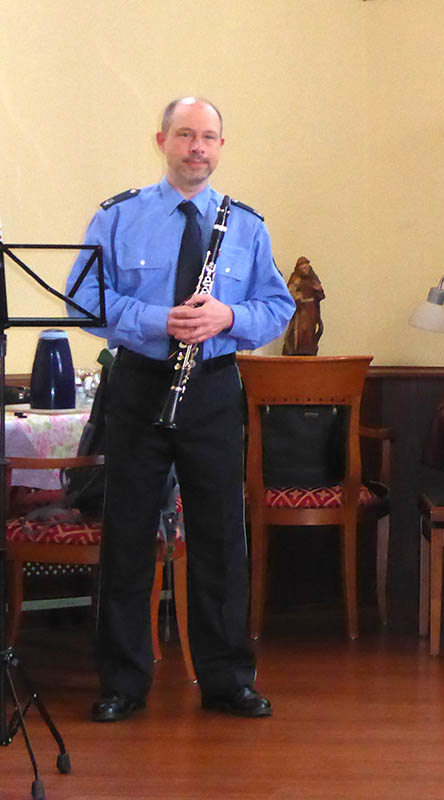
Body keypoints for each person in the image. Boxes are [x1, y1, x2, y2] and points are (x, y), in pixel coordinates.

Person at [66, 96, 295, 722]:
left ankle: (227, 680)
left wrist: (229, 316)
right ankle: (122, 682)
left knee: (222, 536)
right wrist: (153, 321)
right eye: (186, 135)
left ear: (221, 147)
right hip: (139, 385)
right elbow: (81, 300)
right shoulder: (118, 216)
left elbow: (279, 308)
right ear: (161, 140)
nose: (198, 147)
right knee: (129, 535)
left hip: (214, 387)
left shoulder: (245, 224)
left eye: (210, 137)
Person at [281, 256, 325, 355]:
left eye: (306, 268)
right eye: (303, 268)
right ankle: (297, 350)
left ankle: (309, 349)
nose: (305, 270)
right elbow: (290, 292)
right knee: (300, 330)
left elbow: (320, 293)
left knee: (310, 331)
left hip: (311, 309)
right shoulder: (295, 278)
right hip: (301, 309)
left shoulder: (313, 278)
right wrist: (297, 297)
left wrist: (317, 290)